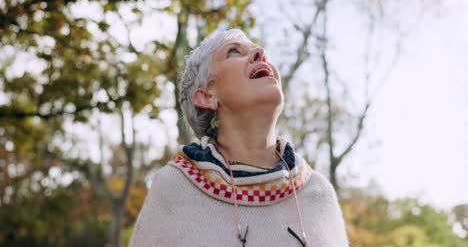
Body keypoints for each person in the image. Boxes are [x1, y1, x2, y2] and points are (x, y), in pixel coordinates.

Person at [129, 29, 349, 246]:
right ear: (206, 96)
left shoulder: (319, 193)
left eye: (259, 51)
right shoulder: (175, 188)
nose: (261, 53)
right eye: (234, 52)